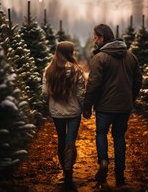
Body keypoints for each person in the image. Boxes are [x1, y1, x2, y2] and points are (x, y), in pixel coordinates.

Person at [83, 24, 142, 186]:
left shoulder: (100, 58)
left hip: (104, 107)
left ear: (102, 37)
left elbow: (93, 84)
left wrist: (87, 106)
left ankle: (103, 162)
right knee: (119, 137)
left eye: (95, 37)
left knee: (101, 134)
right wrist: (130, 98)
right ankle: (120, 174)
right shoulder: (131, 56)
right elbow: (138, 81)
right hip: (124, 107)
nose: (94, 41)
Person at [42, 41, 86, 187]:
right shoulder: (76, 71)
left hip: (57, 112)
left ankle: (65, 171)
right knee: (70, 141)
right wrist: (85, 107)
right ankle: (69, 168)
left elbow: (44, 93)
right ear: (70, 52)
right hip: (74, 113)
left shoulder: (49, 70)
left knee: (61, 139)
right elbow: (80, 94)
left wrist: (51, 104)